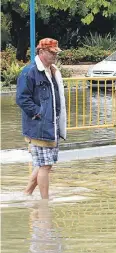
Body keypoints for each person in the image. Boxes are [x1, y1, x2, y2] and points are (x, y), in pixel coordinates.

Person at [16, 38, 67, 199]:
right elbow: (22, 98)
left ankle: (27, 194)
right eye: (52, 53)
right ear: (41, 52)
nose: (55, 56)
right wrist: (38, 113)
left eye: (56, 53)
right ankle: (45, 200)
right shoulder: (30, 71)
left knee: (43, 164)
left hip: (51, 125)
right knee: (45, 165)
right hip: (39, 126)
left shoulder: (52, 70)